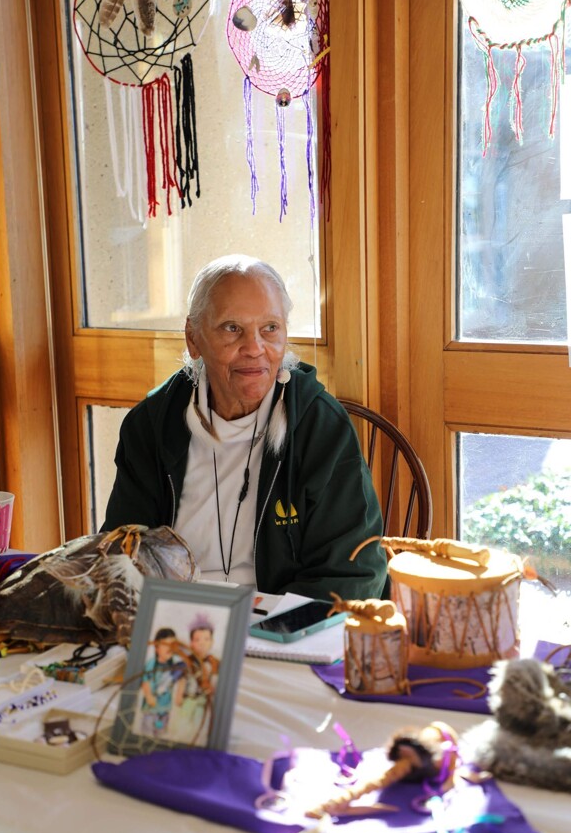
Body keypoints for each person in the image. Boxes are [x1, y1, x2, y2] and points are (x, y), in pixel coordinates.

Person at [103, 254, 387, 599]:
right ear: (193, 338)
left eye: (270, 328)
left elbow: (352, 571)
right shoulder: (153, 425)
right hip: (174, 621)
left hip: (279, 626)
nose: (254, 349)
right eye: (231, 328)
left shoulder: (318, 427)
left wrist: (268, 631)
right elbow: (122, 551)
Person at [169, 613, 220, 745]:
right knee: (182, 722)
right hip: (188, 698)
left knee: (199, 724)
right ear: (191, 643)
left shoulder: (212, 662)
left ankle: (197, 741)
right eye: (197, 640)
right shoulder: (188, 662)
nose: (202, 644)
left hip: (202, 700)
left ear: (212, 642)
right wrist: (179, 694)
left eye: (206, 639)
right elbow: (183, 678)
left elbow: (214, 678)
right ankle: (179, 741)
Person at [139, 627, 182, 739]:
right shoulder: (151, 664)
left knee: (161, 734)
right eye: (165, 645)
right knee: (147, 734)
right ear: (157, 647)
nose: (170, 648)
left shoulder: (176, 665)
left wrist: (180, 694)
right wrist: (148, 696)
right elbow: (145, 680)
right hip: (150, 709)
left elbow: (183, 677)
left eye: (173, 645)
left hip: (165, 709)